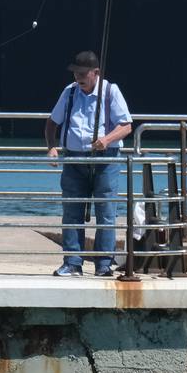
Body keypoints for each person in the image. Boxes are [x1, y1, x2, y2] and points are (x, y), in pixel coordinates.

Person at [45, 51, 133, 276]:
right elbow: (52, 122)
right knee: (71, 211)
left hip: (106, 160)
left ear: (96, 73)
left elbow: (126, 125)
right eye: (75, 73)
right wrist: (52, 147)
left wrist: (107, 139)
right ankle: (72, 263)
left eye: (82, 73)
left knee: (106, 212)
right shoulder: (70, 92)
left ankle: (104, 264)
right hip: (74, 160)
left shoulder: (111, 92)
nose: (78, 77)